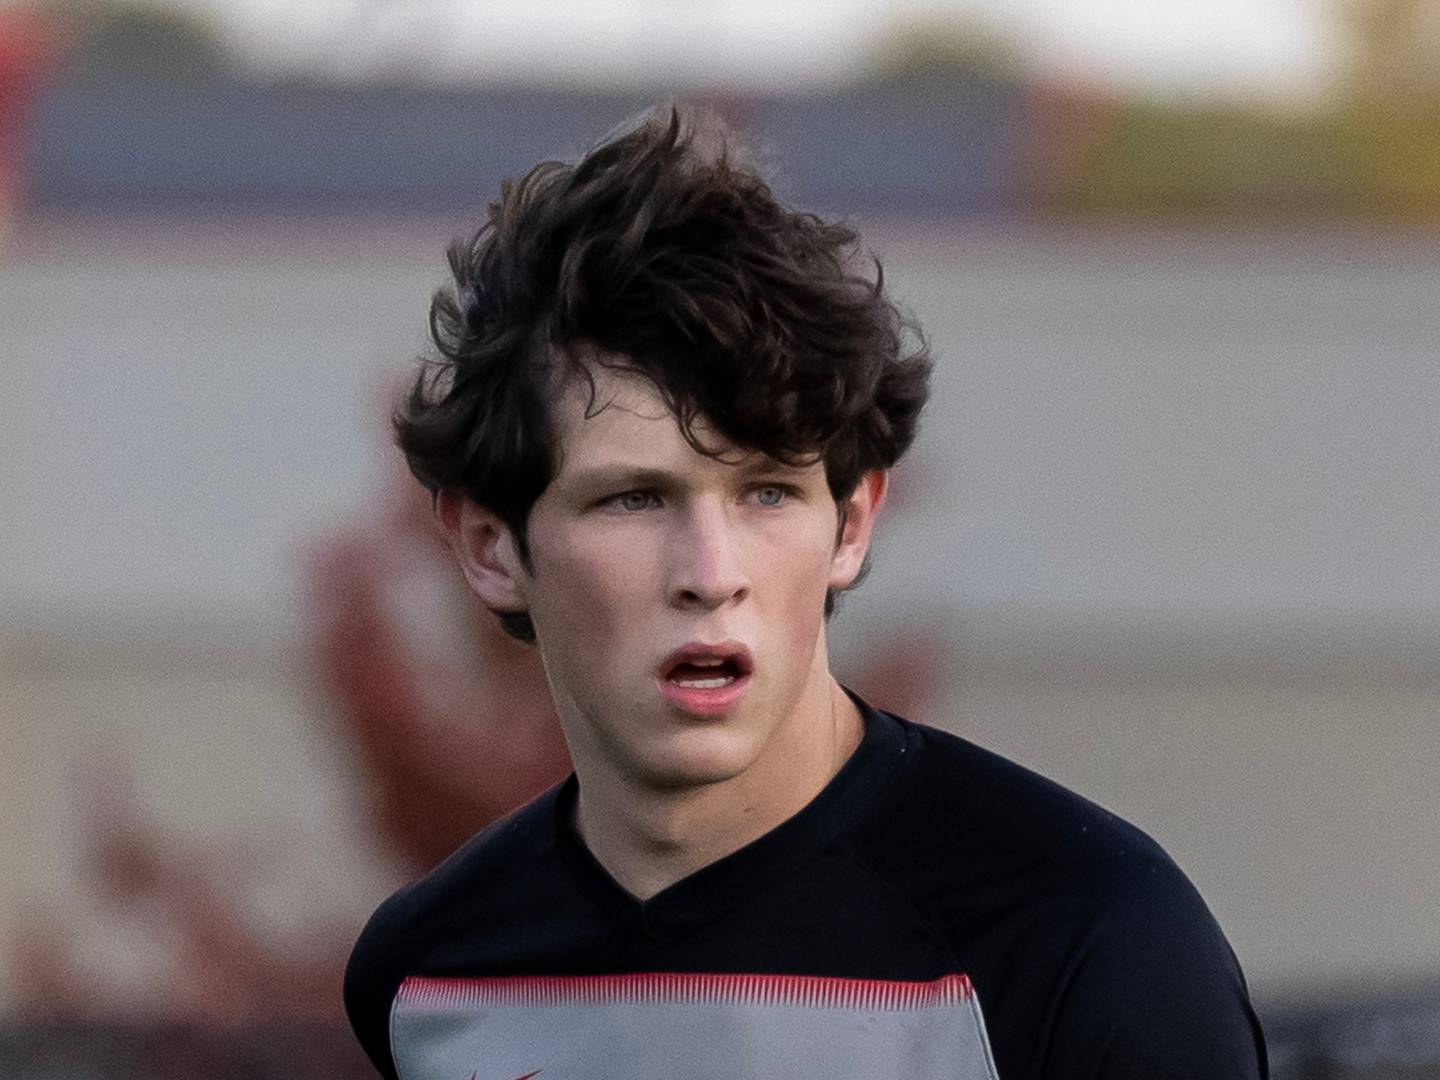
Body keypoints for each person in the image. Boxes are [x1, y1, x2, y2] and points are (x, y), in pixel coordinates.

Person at [343, 108, 1268, 1080]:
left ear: (853, 522)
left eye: (767, 492)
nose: (710, 572)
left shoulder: (1089, 942)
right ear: (490, 545)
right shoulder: (424, 979)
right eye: (632, 497)